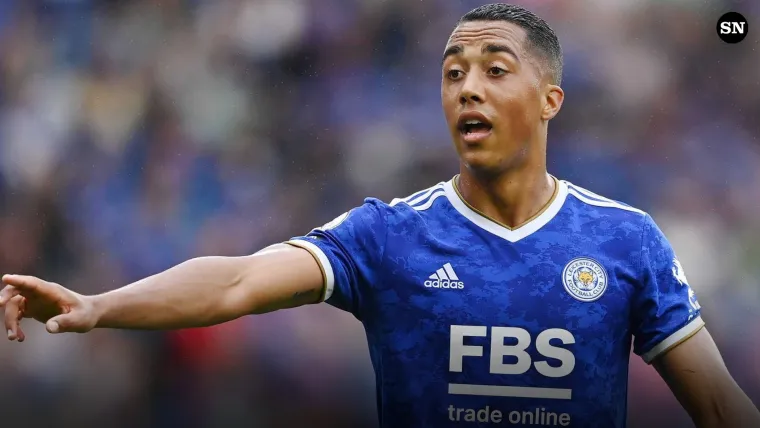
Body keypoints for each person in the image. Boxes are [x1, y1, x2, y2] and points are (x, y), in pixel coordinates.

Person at [1, 3, 758, 427]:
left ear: (550, 99)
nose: (468, 88)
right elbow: (236, 282)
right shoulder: (388, 235)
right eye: (453, 73)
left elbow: (720, 407)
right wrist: (100, 305)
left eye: (496, 71)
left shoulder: (624, 240)